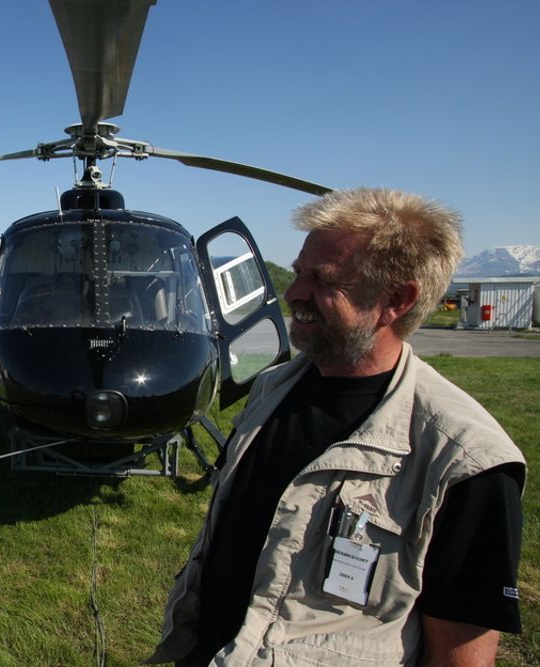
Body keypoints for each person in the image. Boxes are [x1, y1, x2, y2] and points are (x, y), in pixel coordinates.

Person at [148, 188, 524, 666]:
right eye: (299, 272)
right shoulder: (272, 390)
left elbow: (462, 656)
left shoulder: (466, 462)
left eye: (322, 280)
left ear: (396, 300)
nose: (293, 294)